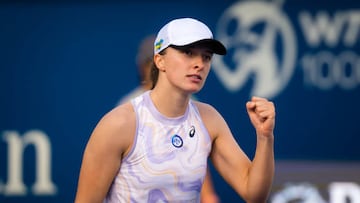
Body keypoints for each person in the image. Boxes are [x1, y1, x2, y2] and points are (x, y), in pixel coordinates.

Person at [75, 17, 275, 203]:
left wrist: (265, 137)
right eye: (188, 52)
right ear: (159, 60)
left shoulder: (209, 119)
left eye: (206, 57)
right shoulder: (119, 124)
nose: (199, 64)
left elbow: (253, 193)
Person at [117, 34, 220, 203]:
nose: (153, 69)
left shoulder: (193, 108)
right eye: (149, 62)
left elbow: (196, 161)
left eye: (206, 57)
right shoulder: (126, 111)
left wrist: (208, 196)